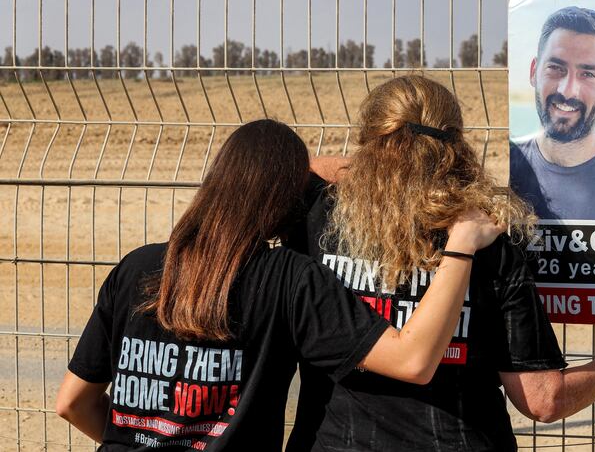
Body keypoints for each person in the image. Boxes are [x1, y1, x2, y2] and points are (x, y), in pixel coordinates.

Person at [55, 119, 505, 451]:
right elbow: (412, 360)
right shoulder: (288, 279)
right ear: (289, 198)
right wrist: (461, 242)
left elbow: (73, 403)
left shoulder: (137, 268)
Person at [286, 75, 595, 451]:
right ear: (456, 146)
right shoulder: (484, 236)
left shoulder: (316, 213)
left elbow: (295, 166)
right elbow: (543, 399)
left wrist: (370, 172)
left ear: (369, 141)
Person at [510, 6, 595, 220]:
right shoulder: (506, 168)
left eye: (587, 74)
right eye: (556, 68)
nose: (567, 90)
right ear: (534, 72)